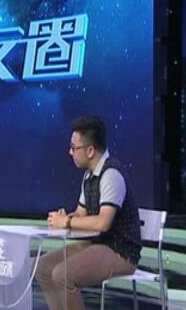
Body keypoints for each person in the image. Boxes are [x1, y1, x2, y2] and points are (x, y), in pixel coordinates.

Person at [35, 115, 142, 310]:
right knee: (42, 267)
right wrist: (65, 217)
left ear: (90, 150)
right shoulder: (89, 175)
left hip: (120, 252)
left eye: (74, 147)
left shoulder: (111, 174)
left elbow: (103, 223)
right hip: (97, 245)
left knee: (62, 275)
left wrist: (67, 222)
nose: (70, 152)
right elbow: (81, 214)